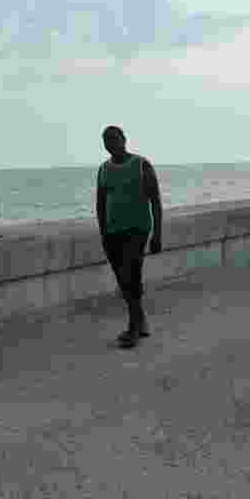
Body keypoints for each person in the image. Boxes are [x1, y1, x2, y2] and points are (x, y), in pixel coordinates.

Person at [96, 125, 163, 349]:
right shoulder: (103, 169)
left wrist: (157, 235)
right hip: (112, 232)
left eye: (114, 138)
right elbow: (101, 203)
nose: (110, 143)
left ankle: (134, 328)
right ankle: (140, 320)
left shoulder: (142, 165)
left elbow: (155, 201)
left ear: (124, 139)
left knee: (130, 275)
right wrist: (103, 231)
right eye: (106, 140)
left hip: (138, 229)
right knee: (124, 280)